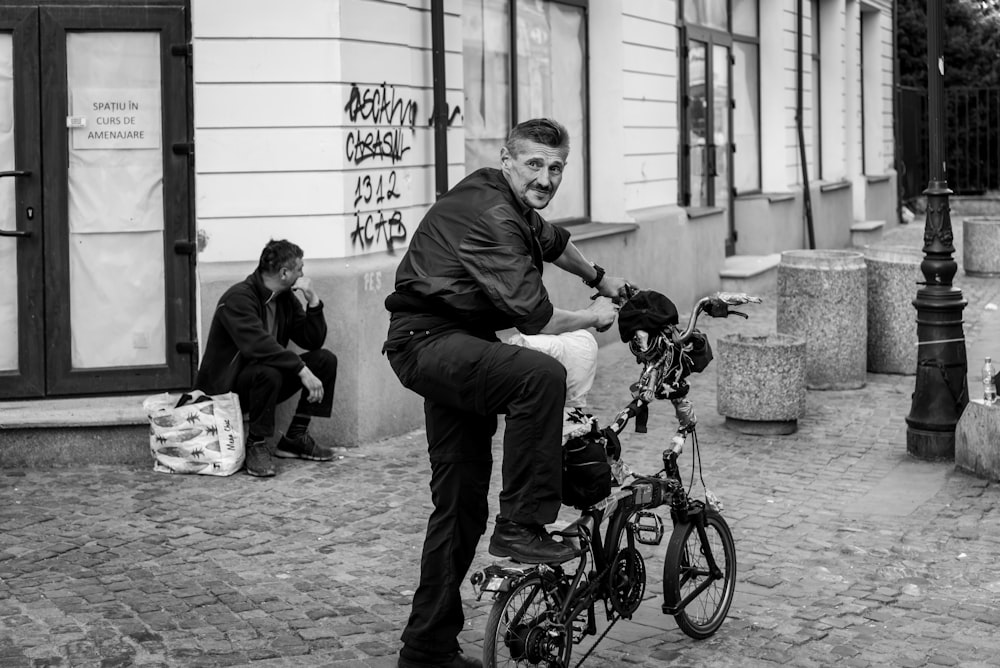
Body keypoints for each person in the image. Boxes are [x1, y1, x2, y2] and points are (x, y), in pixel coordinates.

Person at [383, 118, 633, 668]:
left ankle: (425, 650)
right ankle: (521, 523)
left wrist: (603, 278)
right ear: (507, 160)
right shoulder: (493, 214)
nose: (546, 177)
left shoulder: (507, 200)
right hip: (428, 344)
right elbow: (536, 316)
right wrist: (595, 317)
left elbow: (555, 242)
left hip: (457, 347)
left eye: (557, 167)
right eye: (535, 165)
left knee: (458, 506)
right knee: (536, 375)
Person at [195, 239, 339, 477]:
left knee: (325, 360)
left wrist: (313, 300)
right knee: (267, 370)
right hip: (228, 390)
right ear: (284, 273)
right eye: (299, 269)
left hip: (264, 383)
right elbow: (258, 346)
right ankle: (256, 444)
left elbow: (311, 340)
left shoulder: (284, 298)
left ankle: (295, 437)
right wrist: (301, 370)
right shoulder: (238, 299)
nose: (303, 274)